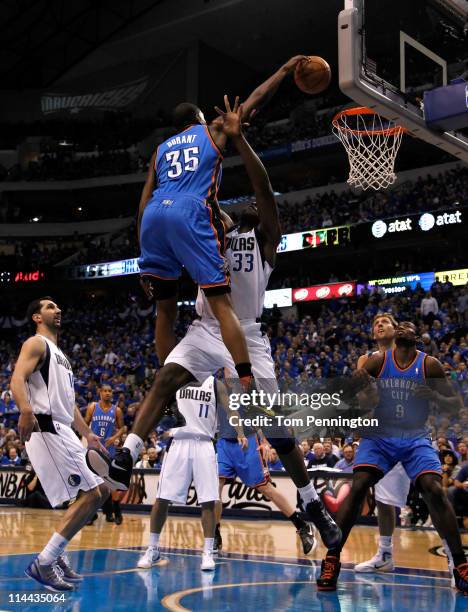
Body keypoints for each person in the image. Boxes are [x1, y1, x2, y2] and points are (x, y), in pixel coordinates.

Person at [87, 101, 340, 551]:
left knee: (277, 429)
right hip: (207, 327)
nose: (243, 207)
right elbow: (190, 204)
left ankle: (311, 503)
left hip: (246, 332)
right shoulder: (214, 228)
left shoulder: (266, 238)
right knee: (166, 376)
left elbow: (262, 186)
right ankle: (125, 453)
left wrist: (240, 138)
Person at [138, 56, 308, 397]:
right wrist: (284, 71)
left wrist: (144, 250)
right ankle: (244, 374)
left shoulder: (160, 150)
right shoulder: (211, 129)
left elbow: (144, 200)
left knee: (165, 310)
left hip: (153, 217)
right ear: (200, 118)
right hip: (188, 210)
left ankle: (166, 385)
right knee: (219, 301)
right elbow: (254, 100)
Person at [316, 321, 468, 595]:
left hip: (415, 436)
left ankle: (459, 565)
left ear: (417, 336)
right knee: (359, 484)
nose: (404, 329)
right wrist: (356, 389)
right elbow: (348, 394)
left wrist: (432, 395)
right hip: (381, 435)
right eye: (401, 327)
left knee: (433, 488)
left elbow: (456, 405)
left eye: (409, 326)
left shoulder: (429, 365)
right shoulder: (378, 361)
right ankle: (332, 558)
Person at [10, 297, 109, 592]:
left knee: (91, 494)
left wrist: (88, 433)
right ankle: (44, 561)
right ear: (37, 317)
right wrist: (26, 410)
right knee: (95, 492)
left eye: (58, 307)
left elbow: (70, 404)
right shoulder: (35, 343)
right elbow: (16, 379)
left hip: (62, 428)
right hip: (46, 426)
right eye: (50, 307)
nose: (58, 310)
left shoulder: (59, 354)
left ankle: (56, 557)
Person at [137, 376, 221, 572]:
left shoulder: (214, 384)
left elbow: (229, 411)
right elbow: (162, 405)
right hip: (178, 443)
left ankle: (208, 551)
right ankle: (152, 549)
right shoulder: (178, 379)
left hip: (205, 443)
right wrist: (163, 428)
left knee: (208, 501)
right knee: (162, 498)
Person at [214, 400, 315, 555]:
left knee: (265, 488)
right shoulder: (215, 386)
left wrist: (266, 442)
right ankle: (215, 534)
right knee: (216, 487)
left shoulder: (247, 385)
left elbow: (262, 415)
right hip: (224, 443)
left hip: (248, 441)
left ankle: (302, 526)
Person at [85, 384, 126, 524]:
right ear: (100, 392)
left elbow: (123, 428)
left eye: (110, 391)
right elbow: (85, 425)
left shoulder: (117, 410)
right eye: (105, 391)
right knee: (93, 484)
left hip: (109, 450)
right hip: (94, 449)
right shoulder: (92, 407)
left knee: (111, 483)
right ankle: (91, 514)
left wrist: (114, 438)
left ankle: (116, 510)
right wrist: (89, 437)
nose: (108, 393)